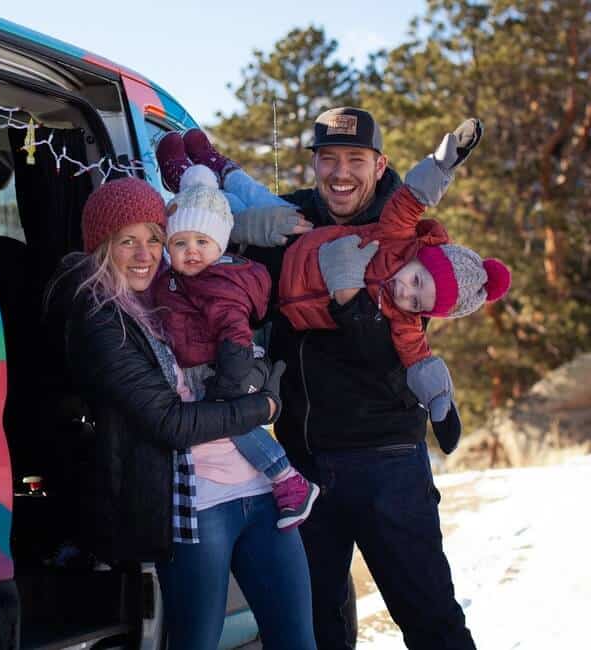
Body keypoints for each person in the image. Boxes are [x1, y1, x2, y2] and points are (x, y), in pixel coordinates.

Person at [201, 106, 480, 649]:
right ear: (315, 165)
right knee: (316, 625)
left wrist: (349, 296)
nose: (341, 173)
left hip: (386, 461)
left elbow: (392, 351)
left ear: (380, 165)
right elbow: (208, 247)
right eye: (328, 159)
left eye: (356, 159)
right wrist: (239, 230)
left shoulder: (406, 236)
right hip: (302, 464)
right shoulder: (293, 218)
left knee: (430, 618)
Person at [51, 176, 316, 650]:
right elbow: (170, 424)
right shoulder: (100, 320)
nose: (143, 253)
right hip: (199, 504)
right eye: (126, 241)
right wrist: (264, 406)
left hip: (261, 491)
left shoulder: (173, 292)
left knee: (297, 641)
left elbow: (218, 241)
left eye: (154, 238)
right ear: (101, 247)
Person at [156, 121, 511, 454]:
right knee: (256, 197)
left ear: (379, 165)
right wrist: (444, 161)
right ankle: (211, 168)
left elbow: (419, 358)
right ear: (424, 256)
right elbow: (413, 197)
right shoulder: (396, 235)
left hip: (287, 304)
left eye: (419, 302)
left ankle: (191, 181)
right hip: (300, 236)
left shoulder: (401, 318)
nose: (407, 294)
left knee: (230, 209)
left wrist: (441, 406)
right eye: (416, 281)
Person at [151, 165, 320, 530]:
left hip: (224, 366)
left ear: (220, 244)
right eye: (180, 244)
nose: (191, 251)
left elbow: (233, 332)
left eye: (202, 243)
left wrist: (227, 385)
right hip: (203, 366)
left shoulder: (218, 283)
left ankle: (286, 476)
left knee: (231, 425)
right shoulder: (180, 279)